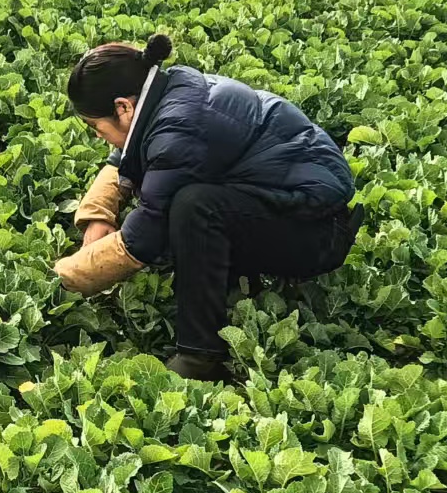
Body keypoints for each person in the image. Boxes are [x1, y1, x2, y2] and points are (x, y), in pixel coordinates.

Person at [53, 33, 362, 380]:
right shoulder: (171, 92)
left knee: (194, 206)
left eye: (96, 126)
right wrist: (96, 216)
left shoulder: (179, 127)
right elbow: (125, 158)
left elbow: (143, 238)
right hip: (296, 207)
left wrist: (66, 279)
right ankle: (227, 274)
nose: (97, 135)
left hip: (317, 234)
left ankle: (199, 356)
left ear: (123, 107)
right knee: (185, 203)